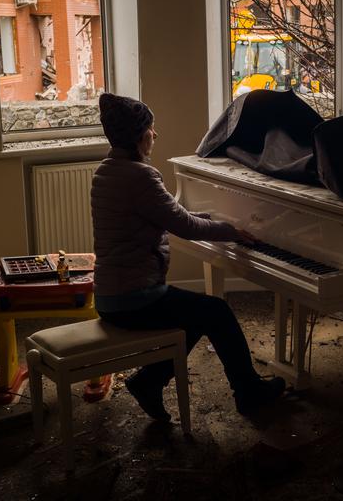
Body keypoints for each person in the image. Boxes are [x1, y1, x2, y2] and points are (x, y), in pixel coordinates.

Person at [90, 92, 286, 420]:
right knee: (217, 311)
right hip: (135, 298)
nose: (155, 135)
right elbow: (185, 225)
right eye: (152, 129)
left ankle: (149, 382)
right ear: (139, 135)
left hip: (110, 296)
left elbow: (171, 215)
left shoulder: (106, 172)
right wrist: (232, 230)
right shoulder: (140, 176)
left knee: (196, 315)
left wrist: (211, 221)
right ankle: (248, 392)